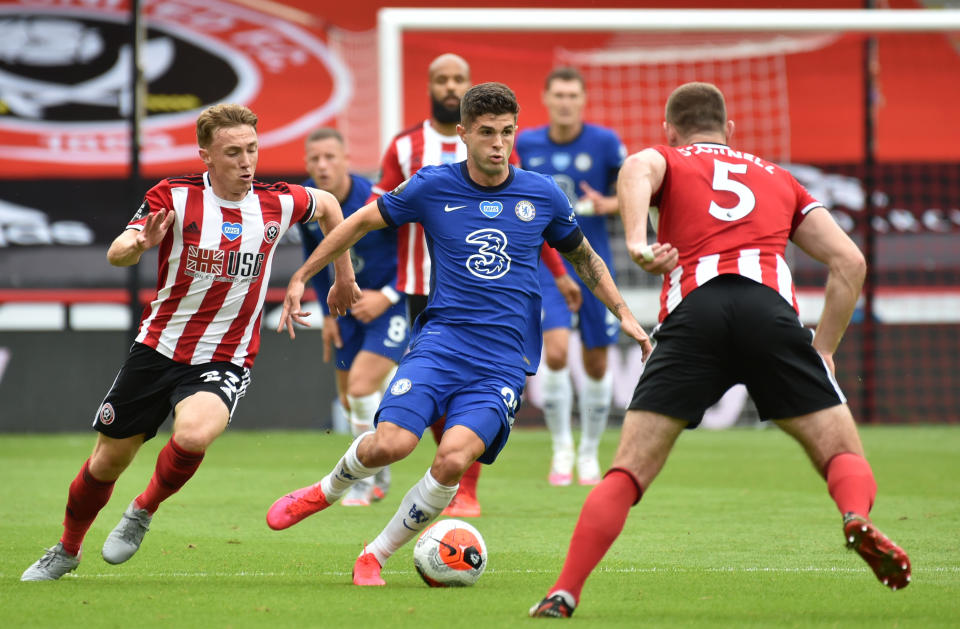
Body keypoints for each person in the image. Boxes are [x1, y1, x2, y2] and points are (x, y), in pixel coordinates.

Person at [529, 82, 911, 618]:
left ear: (671, 130)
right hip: (770, 315)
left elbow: (638, 166)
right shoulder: (780, 178)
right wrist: (823, 350)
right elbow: (851, 263)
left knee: (629, 471)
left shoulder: (666, 158)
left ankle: (563, 591)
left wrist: (637, 242)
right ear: (730, 130)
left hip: (695, 314)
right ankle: (854, 516)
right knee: (841, 453)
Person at [266, 82, 652, 587]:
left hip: (503, 362)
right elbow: (358, 222)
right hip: (441, 343)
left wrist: (621, 309)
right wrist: (305, 276)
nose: (499, 143)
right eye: (487, 132)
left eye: (507, 132)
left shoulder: (542, 194)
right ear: (463, 133)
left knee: (452, 458)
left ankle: (374, 556)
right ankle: (326, 490)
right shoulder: (431, 186)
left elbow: (583, 256)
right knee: (391, 444)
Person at [20, 104, 360, 581]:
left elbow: (328, 206)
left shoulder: (275, 203)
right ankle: (67, 550)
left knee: (194, 433)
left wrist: (341, 277)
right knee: (106, 463)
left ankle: (143, 508)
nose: (246, 162)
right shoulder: (174, 197)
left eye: (253, 150)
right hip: (158, 347)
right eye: (233, 152)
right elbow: (118, 249)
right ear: (206, 155)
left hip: (225, 355)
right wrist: (136, 245)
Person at [370, 53, 578, 516]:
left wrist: (560, 275)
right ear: (430, 87)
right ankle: (397, 473)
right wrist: (375, 284)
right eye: (441, 79)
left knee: (471, 390)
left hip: (486, 288)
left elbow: (524, 221)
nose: (449, 86)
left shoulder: (498, 142)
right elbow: (377, 215)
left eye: (457, 79)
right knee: (430, 387)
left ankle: (463, 486)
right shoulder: (405, 147)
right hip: (421, 283)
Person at [516, 67, 628, 486]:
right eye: (558, 94)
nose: (565, 102)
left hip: (594, 264)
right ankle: (562, 448)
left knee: (597, 362)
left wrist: (608, 205)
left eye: (572, 95)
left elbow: (633, 195)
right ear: (546, 98)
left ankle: (589, 451)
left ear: (582, 100)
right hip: (550, 264)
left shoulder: (604, 143)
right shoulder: (526, 143)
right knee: (557, 352)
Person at [298, 127, 407, 506]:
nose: (322, 165)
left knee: (361, 388)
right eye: (315, 159)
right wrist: (327, 314)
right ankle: (378, 461)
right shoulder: (310, 203)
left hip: (391, 306)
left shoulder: (378, 199)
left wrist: (388, 294)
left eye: (330, 157)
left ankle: (370, 476)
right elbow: (314, 257)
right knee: (348, 400)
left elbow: (416, 253)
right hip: (345, 310)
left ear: (346, 160)